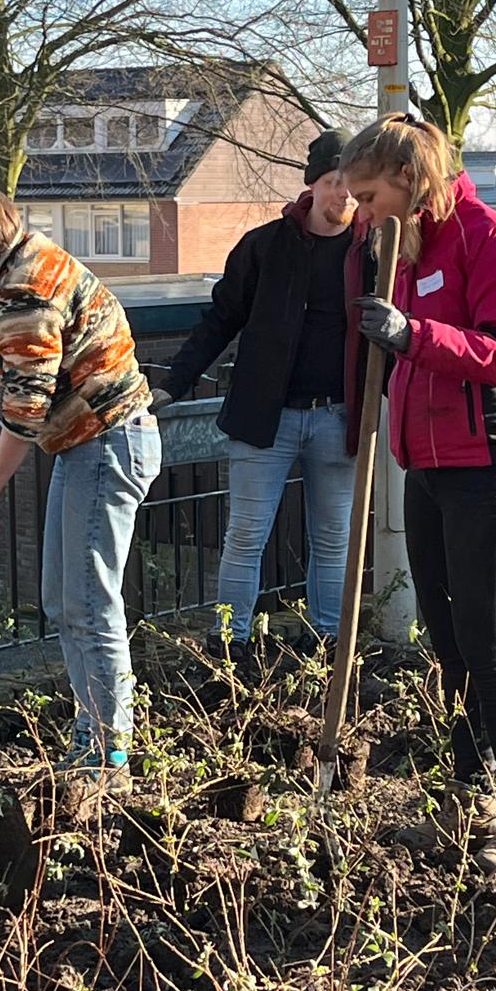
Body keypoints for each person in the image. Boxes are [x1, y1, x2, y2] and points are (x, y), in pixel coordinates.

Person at [342, 111, 496, 876]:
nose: (361, 212)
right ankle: (470, 802)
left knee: (489, 648)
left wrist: (411, 335)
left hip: (488, 466)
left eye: (368, 195)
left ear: (408, 179)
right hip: (425, 467)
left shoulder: (488, 237)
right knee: (446, 647)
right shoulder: (401, 247)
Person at [0, 178, 160, 798]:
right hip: (93, 442)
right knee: (63, 601)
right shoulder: (32, 261)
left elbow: (26, 414)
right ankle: (91, 738)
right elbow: (49, 352)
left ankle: (109, 754)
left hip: (104, 443)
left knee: (88, 604)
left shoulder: (23, 286)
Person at [148, 129, 372, 662]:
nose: (344, 195)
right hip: (263, 417)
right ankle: (231, 647)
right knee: (246, 536)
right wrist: (172, 385)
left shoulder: (373, 254)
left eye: (352, 186)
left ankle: (328, 644)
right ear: (312, 186)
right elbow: (220, 320)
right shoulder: (265, 246)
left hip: (340, 418)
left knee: (334, 538)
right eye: (334, 182)